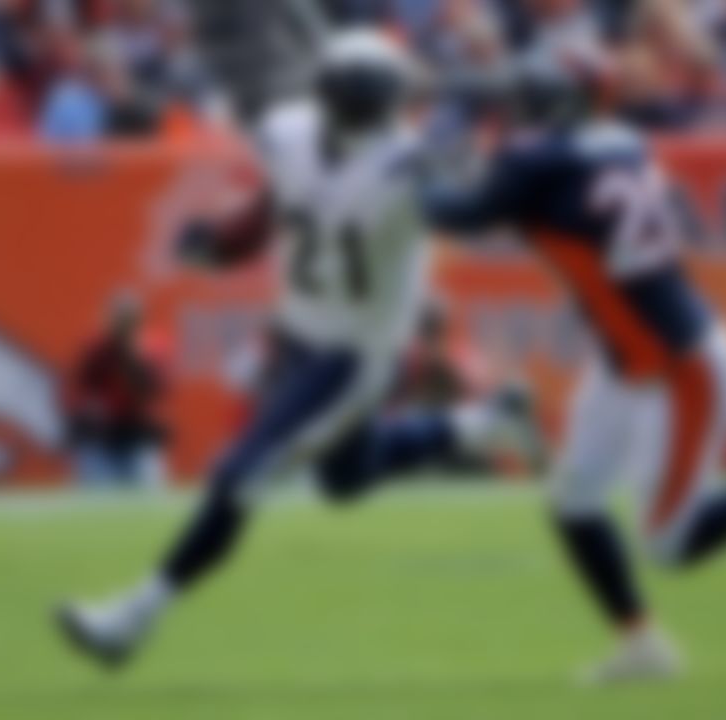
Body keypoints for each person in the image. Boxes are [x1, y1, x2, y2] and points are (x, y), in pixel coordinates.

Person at [56, 29, 541, 667]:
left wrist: (478, 163)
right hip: (299, 333)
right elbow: (274, 210)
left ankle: (135, 617)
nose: (371, 111)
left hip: (353, 357)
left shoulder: (405, 167)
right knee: (346, 476)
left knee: (238, 475)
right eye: (365, 99)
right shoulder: (295, 136)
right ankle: (483, 424)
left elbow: (464, 212)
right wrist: (223, 242)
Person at [420, 54, 726, 682]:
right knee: (574, 500)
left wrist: (413, 171)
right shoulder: (619, 143)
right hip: (633, 360)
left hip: (682, 368)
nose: (516, 116)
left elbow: (457, 213)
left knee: (670, 545)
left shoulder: (542, 164)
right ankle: (643, 645)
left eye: (528, 102)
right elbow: (525, 182)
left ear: (559, 107)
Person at [62, 293, 170, 489]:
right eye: (120, 318)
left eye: (128, 319)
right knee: (97, 500)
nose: (123, 324)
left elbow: (157, 389)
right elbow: (78, 389)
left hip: (140, 436)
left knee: (149, 499)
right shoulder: (97, 349)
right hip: (103, 435)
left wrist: (132, 356)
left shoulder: (152, 348)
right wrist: (84, 413)